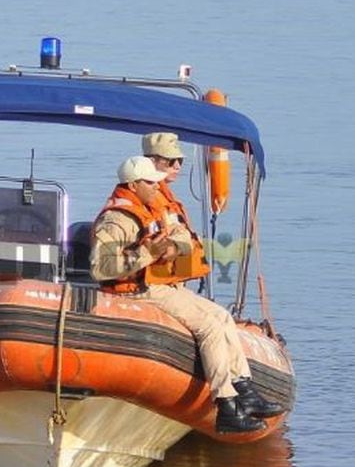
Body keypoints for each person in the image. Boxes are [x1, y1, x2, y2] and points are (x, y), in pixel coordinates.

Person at [90, 154, 284, 434]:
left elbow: (180, 233)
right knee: (208, 328)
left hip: (158, 286)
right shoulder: (117, 219)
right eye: (151, 182)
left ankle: (245, 390)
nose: (158, 187)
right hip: (136, 291)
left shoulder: (151, 205)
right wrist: (148, 253)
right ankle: (225, 403)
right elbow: (101, 268)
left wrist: (173, 248)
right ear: (133, 186)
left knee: (221, 316)